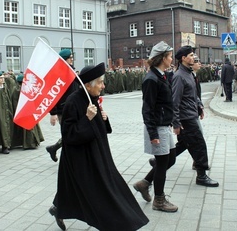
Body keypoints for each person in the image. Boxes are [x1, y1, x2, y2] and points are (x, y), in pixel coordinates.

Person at [49, 63, 149, 230]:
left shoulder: (91, 98)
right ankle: (113, 223)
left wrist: (103, 118)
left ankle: (59, 208)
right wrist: (87, 118)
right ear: (88, 84)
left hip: (98, 153)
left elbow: (99, 128)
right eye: (101, 83)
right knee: (96, 193)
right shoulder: (72, 102)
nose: (103, 86)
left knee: (94, 189)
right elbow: (69, 135)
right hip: (82, 159)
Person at [133, 41, 178, 212]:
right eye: (170, 56)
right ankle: (159, 200)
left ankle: (144, 183)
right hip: (157, 127)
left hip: (164, 124)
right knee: (162, 162)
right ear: (162, 58)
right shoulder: (151, 79)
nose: (171, 59)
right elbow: (147, 109)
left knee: (170, 159)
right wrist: (153, 133)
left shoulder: (161, 75)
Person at [172, 45, 219, 187]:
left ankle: (159, 163)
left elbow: (192, 96)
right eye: (191, 55)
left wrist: (199, 106)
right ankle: (201, 176)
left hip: (191, 114)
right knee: (199, 145)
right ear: (183, 58)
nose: (193, 58)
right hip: (186, 118)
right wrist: (176, 123)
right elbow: (174, 101)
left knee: (185, 144)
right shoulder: (179, 76)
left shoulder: (189, 74)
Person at [45, 49, 79, 162]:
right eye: (70, 58)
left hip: (74, 107)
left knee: (73, 132)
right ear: (64, 60)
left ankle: (54, 148)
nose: (72, 59)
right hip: (63, 109)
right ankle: (68, 157)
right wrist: (53, 113)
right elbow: (51, 95)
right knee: (69, 133)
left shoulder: (71, 71)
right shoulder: (57, 74)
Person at [11, 74, 44, 149]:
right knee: (28, 128)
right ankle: (30, 143)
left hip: (27, 110)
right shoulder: (18, 90)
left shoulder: (18, 89)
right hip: (24, 111)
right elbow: (16, 102)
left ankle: (32, 141)